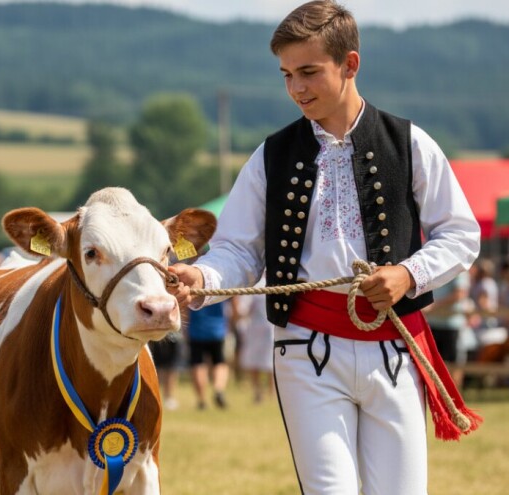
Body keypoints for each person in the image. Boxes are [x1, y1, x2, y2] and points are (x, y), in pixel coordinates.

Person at [168, 2, 481, 492]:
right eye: (287, 74)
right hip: (304, 347)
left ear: (350, 64)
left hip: (395, 347)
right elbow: (239, 250)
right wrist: (202, 279)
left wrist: (408, 274)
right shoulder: (271, 155)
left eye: (308, 72)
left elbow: (461, 234)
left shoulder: (410, 142)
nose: (296, 88)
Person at [232, 288, 275, 404]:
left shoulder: (254, 287)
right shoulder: (261, 285)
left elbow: (243, 310)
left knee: (258, 362)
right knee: (268, 362)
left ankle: (260, 391)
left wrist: (235, 303)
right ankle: (270, 393)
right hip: (265, 329)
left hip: (259, 329)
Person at [187, 301, 230, 410]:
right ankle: (218, 390)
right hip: (217, 329)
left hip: (196, 329)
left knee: (198, 364)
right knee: (219, 362)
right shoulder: (220, 284)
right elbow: (234, 304)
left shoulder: (193, 285)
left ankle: (202, 400)